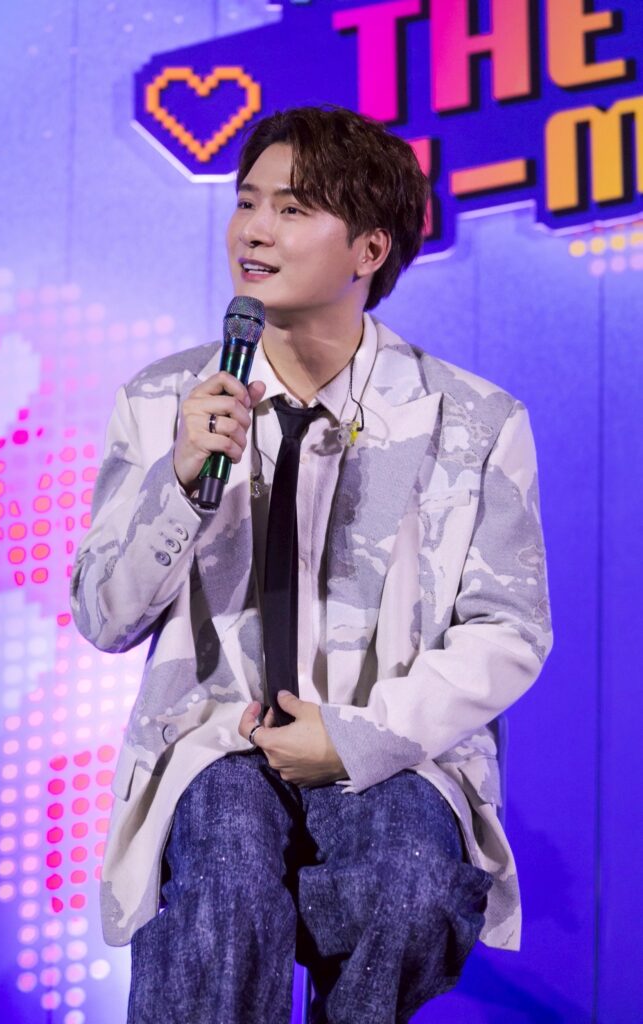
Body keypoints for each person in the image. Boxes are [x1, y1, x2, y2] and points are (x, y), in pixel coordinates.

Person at [71, 105, 552, 1024]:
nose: (254, 230)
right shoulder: (164, 399)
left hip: (388, 739)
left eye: (291, 209)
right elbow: (103, 615)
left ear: (368, 249)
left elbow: (508, 630)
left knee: (411, 881)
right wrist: (180, 481)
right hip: (213, 736)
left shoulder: (472, 420)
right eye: (246, 202)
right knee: (223, 881)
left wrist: (358, 737)